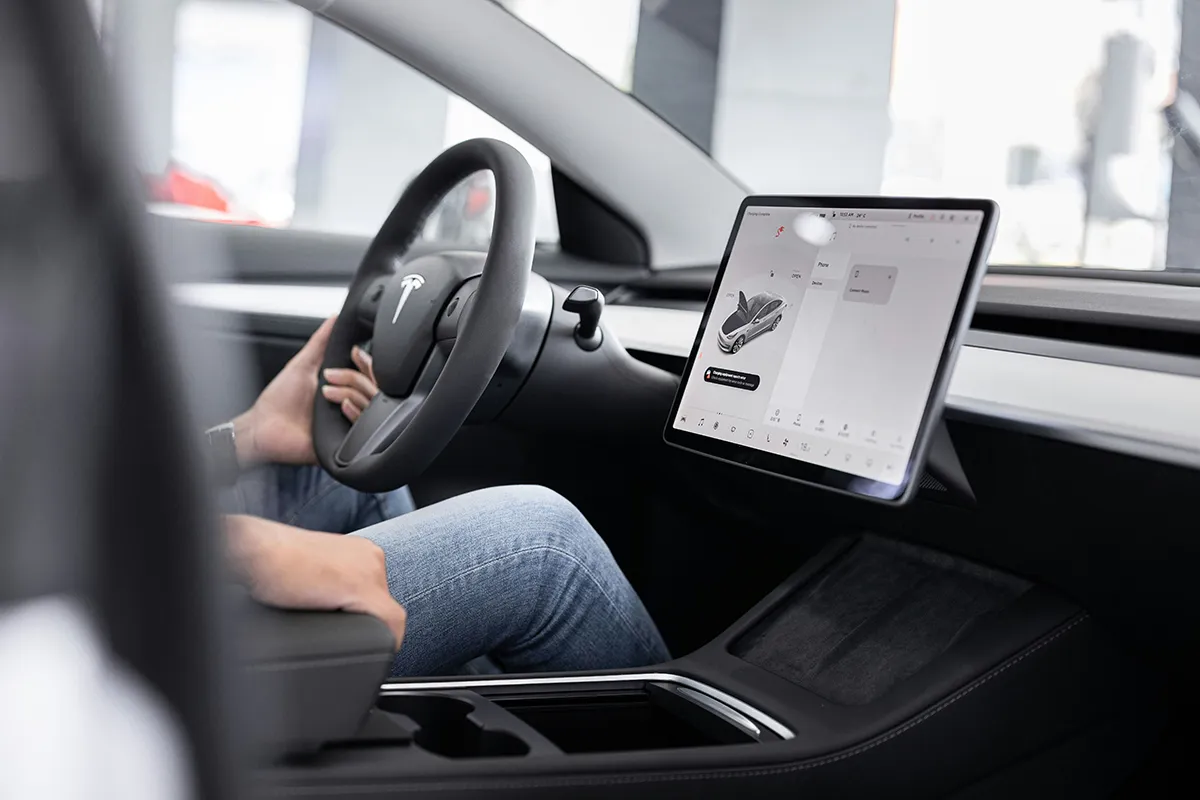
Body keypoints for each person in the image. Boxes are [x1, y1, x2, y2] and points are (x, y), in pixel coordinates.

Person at [217, 317, 668, 677]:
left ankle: (456, 691)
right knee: (545, 547)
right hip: (165, 633)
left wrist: (244, 437)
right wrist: (245, 548)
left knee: (341, 466)